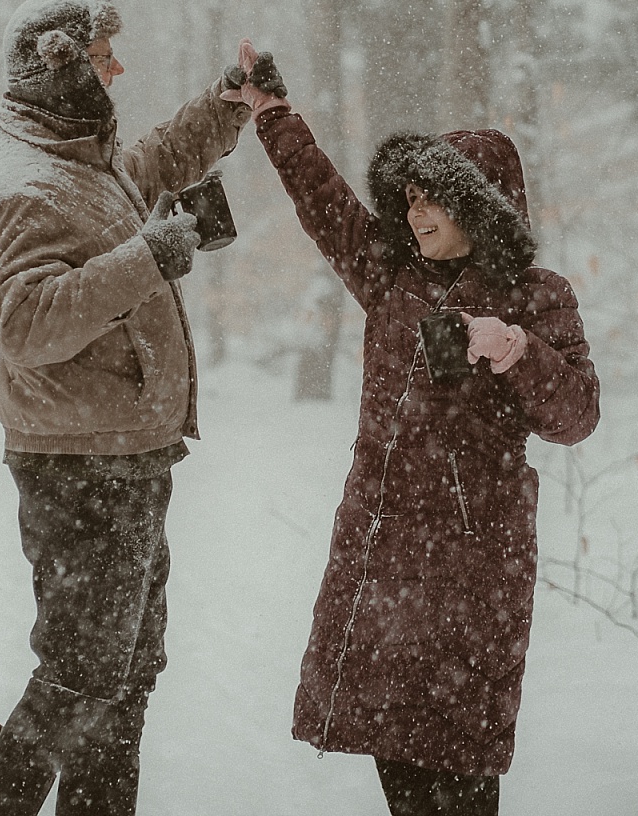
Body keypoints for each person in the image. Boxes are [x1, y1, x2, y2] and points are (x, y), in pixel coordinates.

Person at [232, 41, 601, 816]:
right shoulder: (389, 276)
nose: (415, 211)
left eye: (434, 199)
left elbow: (578, 416)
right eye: (409, 198)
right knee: (400, 767)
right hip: (385, 559)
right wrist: (275, 118)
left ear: (484, 210)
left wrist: (516, 350)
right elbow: (323, 200)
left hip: (475, 570)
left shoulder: (538, 297)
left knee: (464, 780)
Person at [0, 0, 254, 816]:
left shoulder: (76, 157)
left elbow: (150, 164)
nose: (117, 70)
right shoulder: (25, 188)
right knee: (79, 678)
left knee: (123, 677)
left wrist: (226, 108)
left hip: (123, 455)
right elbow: (26, 322)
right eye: (102, 57)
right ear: (59, 66)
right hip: (79, 467)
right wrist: (149, 257)